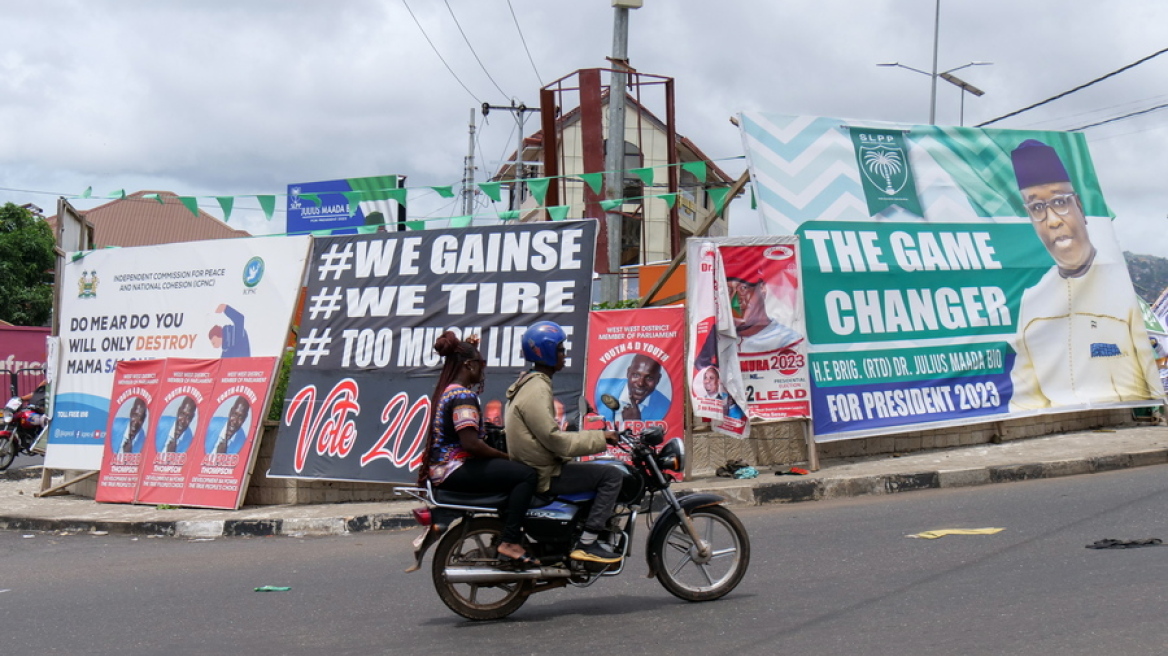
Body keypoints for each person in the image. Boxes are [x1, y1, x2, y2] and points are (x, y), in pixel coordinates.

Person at [1008, 139, 1161, 410]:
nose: (1053, 220)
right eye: (1037, 208)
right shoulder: (1031, 304)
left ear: (1079, 205)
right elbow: (1026, 399)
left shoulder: (1122, 291)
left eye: (1059, 202)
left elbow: (1154, 383)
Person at [506, 321, 623, 564]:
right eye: (560, 350)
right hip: (545, 472)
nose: (564, 355)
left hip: (540, 465)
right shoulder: (537, 388)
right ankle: (588, 542)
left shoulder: (531, 383)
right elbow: (553, 439)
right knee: (611, 476)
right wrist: (601, 438)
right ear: (546, 352)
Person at [419, 331, 538, 567]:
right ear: (469, 365)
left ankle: (504, 530)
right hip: (454, 469)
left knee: (511, 472)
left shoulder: (448, 392)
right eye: (481, 365)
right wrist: (509, 457)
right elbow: (472, 445)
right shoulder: (463, 396)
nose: (482, 371)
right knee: (526, 474)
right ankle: (510, 541)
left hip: (445, 469)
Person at [727, 275, 802, 354]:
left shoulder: (788, 341)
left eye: (744, 288)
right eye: (728, 290)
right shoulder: (719, 342)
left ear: (762, 288)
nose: (735, 301)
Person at [594, 353, 671, 423]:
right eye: (636, 375)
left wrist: (635, 424)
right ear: (628, 373)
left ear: (658, 379)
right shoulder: (599, 389)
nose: (640, 383)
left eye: (649, 378)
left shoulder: (665, 408)